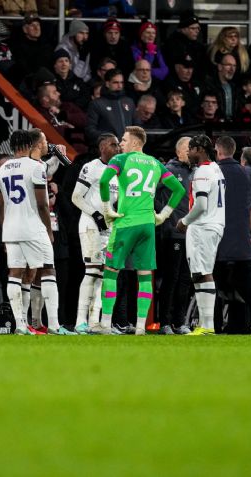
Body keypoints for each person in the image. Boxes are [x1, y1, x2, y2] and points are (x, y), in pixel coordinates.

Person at [97, 126, 186, 335]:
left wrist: (107, 209)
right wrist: (163, 215)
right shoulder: (156, 163)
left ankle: (105, 324)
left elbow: (103, 181)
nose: (121, 143)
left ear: (136, 142)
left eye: (124, 140)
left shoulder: (120, 160)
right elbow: (179, 189)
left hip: (125, 223)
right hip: (148, 225)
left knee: (111, 272)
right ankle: (139, 327)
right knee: (144, 276)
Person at [0, 129, 74, 335]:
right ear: (32, 144)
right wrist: (48, 229)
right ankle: (55, 326)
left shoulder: (2, 169)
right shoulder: (35, 167)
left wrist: (5, 231)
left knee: (15, 274)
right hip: (33, 227)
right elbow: (42, 205)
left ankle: (21, 325)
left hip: (11, 228)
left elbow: (0, 207)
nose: (47, 143)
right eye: (45, 140)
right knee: (48, 270)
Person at [211, 136, 251, 333]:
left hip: (218, 240)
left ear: (218, 151)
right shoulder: (248, 172)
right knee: (249, 286)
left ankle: (214, 325)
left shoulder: (212, 172)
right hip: (243, 240)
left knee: (213, 285)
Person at [175, 134, 225, 336]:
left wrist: (184, 221)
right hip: (214, 224)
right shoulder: (215, 168)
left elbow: (201, 204)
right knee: (201, 273)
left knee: (202, 273)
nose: (188, 152)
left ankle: (207, 325)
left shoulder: (203, 171)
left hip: (203, 226)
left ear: (200, 150)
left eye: (191, 149)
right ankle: (206, 325)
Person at [71, 133, 120, 334]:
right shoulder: (91, 167)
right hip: (91, 226)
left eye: (118, 144)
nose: (117, 148)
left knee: (104, 275)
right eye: (113, 144)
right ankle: (80, 321)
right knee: (91, 272)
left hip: (109, 229)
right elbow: (76, 197)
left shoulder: (118, 172)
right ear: (102, 148)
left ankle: (95, 321)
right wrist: (96, 215)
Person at [155, 137, 193, 335]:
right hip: (173, 233)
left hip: (191, 234)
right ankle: (165, 322)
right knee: (171, 278)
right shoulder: (167, 170)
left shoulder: (195, 172)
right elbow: (152, 195)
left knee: (185, 279)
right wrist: (167, 216)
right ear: (179, 151)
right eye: (188, 149)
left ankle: (180, 322)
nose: (191, 152)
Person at [85, 69, 136, 143]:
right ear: (107, 84)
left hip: (128, 148)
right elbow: (90, 130)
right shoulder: (96, 104)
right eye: (115, 82)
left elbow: (137, 125)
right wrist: (109, 138)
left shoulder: (129, 102)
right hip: (107, 148)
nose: (119, 85)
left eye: (121, 82)